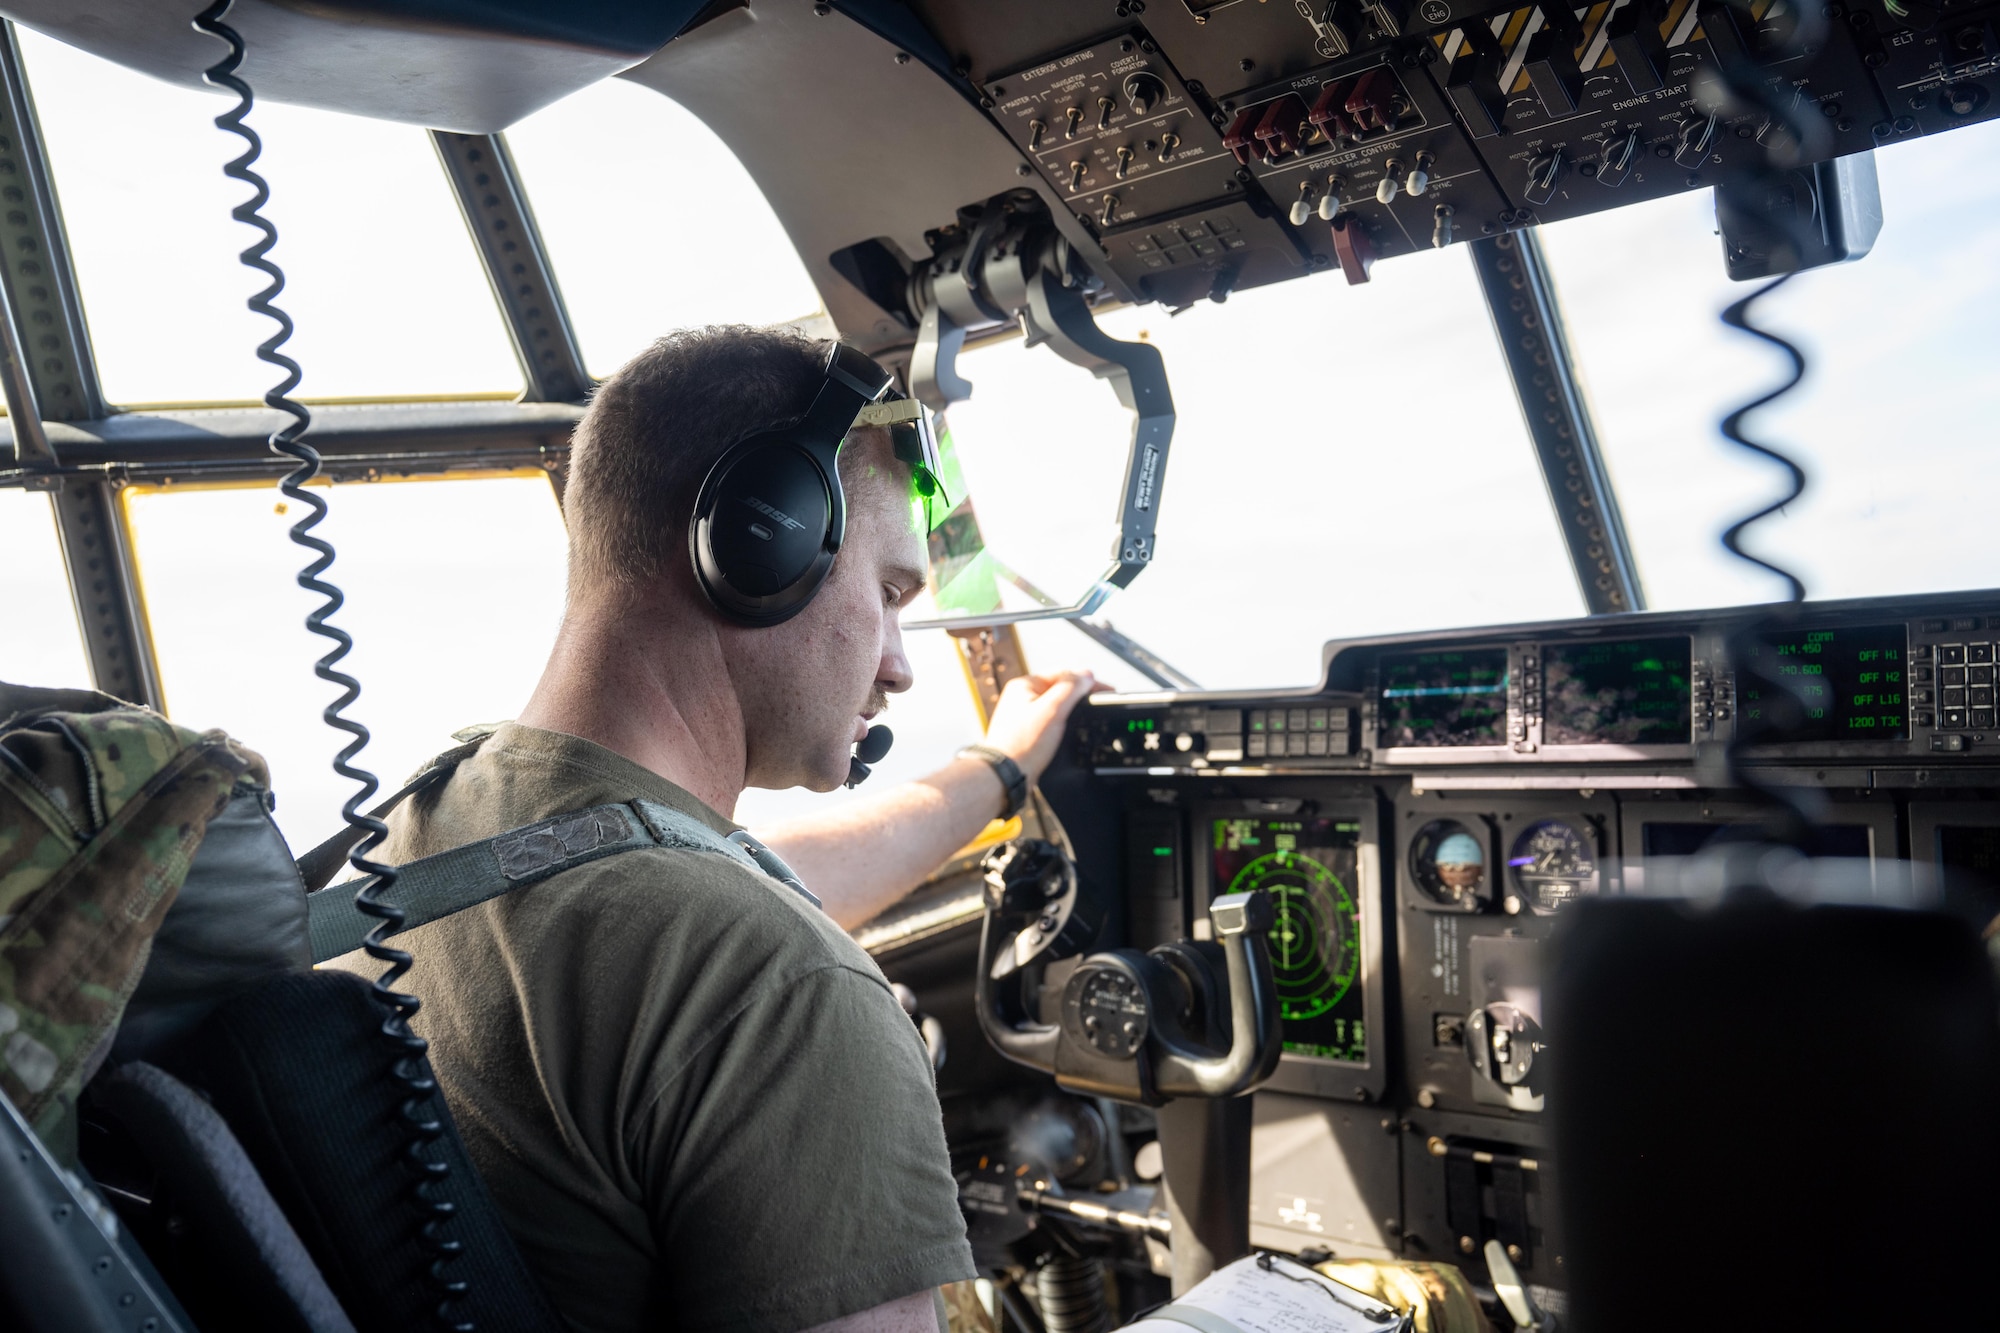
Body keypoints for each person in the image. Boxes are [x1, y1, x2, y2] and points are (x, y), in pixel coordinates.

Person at [332, 324, 1096, 1333]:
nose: (901, 664)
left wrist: (991, 772)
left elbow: (728, 880)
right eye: (890, 591)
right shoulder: (782, 993)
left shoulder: (431, 828)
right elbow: (737, 935)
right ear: (760, 538)